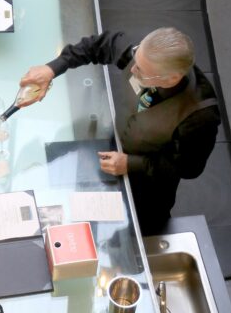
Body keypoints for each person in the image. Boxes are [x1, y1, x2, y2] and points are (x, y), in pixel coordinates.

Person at [18, 27, 220, 236]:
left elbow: (188, 169)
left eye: (141, 71)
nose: (132, 69)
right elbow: (96, 46)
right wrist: (52, 69)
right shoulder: (143, 54)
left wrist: (130, 163)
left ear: (171, 79)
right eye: (136, 58)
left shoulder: (200, 116)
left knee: (139, 230)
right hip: (117, 144)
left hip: (148, 185)